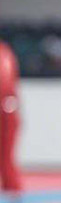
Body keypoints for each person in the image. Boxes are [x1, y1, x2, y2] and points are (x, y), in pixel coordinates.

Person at [0, 40, 22, 193]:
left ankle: (12, 187)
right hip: (9, 108)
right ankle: (12, 187)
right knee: (6, 156)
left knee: (6, 156)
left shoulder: (4, 52)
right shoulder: (5, 51)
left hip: (7, 109)